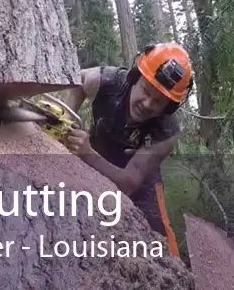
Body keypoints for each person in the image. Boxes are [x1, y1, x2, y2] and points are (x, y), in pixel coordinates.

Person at [62, 42, 194, 259]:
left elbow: (130, 182)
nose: (148, 104)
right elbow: (79, 80)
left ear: (169, 107)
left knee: (161, 240)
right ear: (134, 78)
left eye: (159, 101)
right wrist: (67, 118)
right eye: (145, 90)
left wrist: (87, 154)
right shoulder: (109, 80)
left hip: (139, 179)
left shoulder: (167, 131)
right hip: (96, 159)